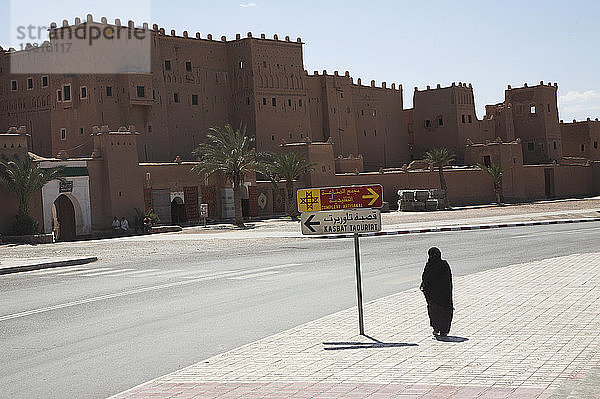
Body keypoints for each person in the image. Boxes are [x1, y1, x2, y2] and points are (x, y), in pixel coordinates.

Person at [420, 247, 454, 337]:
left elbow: (426, 278)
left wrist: (424, 286)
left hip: (432, 296)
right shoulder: (444, 264)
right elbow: (448, 280)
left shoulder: (430, 265)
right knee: (445, 311)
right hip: (445, 294)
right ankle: (444, 330)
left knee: (434, 312)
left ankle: (436, 329)